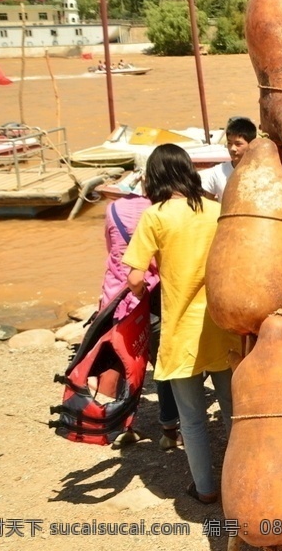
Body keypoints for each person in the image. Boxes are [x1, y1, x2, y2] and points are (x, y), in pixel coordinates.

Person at [124, 144, 239, 504]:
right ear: (188, 172)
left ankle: (205, 489)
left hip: (181, 329)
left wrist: (154, 282)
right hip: (223, 325)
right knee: (235, 414)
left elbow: (133, 279)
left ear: (155, 176)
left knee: (191, 420)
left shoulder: (155, 216)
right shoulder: (217, 210)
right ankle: (242, 486)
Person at [99, 184, 181, 451]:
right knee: (162, 365)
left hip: (118, 298)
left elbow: (111, 250)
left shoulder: (111, 209)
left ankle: (124, 429)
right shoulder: (156, 211)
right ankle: (169, 430)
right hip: (153, 297)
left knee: (124, 364)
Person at [200, 116, 257, 201]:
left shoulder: (262, 172)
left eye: (238, 144)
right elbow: (206, 204)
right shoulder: (217, 172)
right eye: (229, 143)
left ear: (251, 144)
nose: (232, 149)